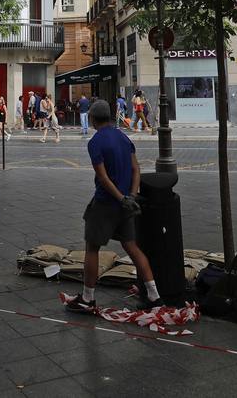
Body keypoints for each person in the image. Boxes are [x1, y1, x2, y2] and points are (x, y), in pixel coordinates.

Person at [64, 100, 163, 315]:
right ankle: (154, 296)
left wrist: (120, 198)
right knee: (132, 247)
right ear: (109, 117)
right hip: (127, 203)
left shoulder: (95, 142)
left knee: (92, 247)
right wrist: (132, 197)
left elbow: (103, 177)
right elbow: (136, 169)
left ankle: (88, 299)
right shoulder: (123, 137)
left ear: (92, 119)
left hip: (106, 202)